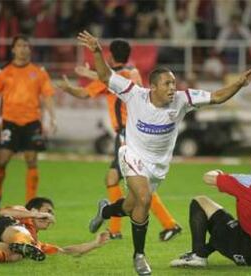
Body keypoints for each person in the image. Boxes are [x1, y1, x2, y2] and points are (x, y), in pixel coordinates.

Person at [78, 30, 251, 275]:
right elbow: (104, 75)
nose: (173, 88)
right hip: (131, 154)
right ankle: (140, 256)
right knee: (143, 199)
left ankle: (106, 210)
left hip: (157, 167)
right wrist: (98, 52)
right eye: (167, 83)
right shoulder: (134, 94)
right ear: (152, 87)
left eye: (174, 83)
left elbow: (216, 97)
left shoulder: (183, 100)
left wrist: (238, 83)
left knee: (131, 206)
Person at [56, 39, 182, 241]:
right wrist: (90, 73)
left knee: (136, 183)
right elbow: (110, 75)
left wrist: (67, 87)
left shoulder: (113, 80)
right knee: (118, 179)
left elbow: (85, 92)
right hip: (133, 133)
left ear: (110, 56)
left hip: (126, 134)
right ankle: (126, 229)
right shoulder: (132, 72)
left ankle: (157, 225)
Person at [170, 143, 251, 268]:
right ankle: (203, 252)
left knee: (200, 201)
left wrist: (218, 172)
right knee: (233, 225)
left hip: (244, 249)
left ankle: (198, 256)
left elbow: (207, 178)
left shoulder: (249, 182)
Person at [0, 35, 57, 211]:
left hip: (32, 121)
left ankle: (30, 202)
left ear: (29, 49)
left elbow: (48, 95)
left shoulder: (39, 72)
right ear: (13, 49)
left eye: (26, 46)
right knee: (2, 160)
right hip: (10, 121)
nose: (23, 49)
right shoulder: (3, 72)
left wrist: (52, 117)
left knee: (31, 160)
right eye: (19, 46)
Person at [0, 197, 109, 264]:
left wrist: (94, 244)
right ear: (34, 209)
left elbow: (66, 251)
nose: (49, 216)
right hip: (6, 227)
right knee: (23, 238)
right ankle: (20, 244)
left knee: (15, 256)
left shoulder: (36, 243)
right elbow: (3, 212)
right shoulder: (24, 213)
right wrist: (35, 214)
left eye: (51, 214)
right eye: (48, 211)